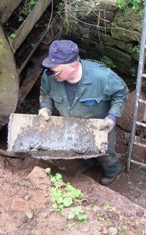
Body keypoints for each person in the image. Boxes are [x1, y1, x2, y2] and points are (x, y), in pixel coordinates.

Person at [39, 40, 128, 185]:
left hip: (100, 126)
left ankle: (112, 171)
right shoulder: (49, 76)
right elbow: (45, 93)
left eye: (56, 71)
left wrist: (111, 117)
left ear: (73, 65)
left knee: (105, 152)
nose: (51, 74)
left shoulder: (102, 77)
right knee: (78, 146)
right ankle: (88, 162)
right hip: (71, 124)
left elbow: (121, 93)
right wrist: (45, 107)